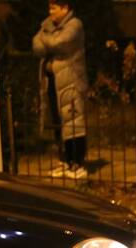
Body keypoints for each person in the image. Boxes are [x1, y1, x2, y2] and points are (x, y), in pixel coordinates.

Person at [33, 0, 88, 180]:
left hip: (70, 82)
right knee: (58, 122)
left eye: (54, 8)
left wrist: (46, 39)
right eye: (49, 7)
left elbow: (60, 43)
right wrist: (47, 40)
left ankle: (78, 162)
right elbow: (36, 45)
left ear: (65, 8)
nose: (50, 12)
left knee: (74, 121)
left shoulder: (75, 24)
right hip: (53, 82)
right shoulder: (48, 25)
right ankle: (64, 160)